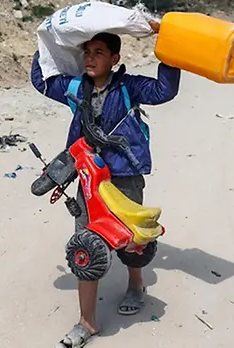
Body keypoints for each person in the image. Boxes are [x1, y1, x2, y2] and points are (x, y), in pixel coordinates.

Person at [31, 32, 181, 348]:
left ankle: (136, 285)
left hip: (124, 174)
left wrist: (171, 49)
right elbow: (42, 82)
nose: (89, 58)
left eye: (98, 52)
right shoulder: (76, 88)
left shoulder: (129, 87)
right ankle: (87, 321)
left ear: (114, 59)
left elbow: (164, 90)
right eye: (87, 52)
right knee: (85, 244)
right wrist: (44, 42)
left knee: (130, 237)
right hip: (87, 177)